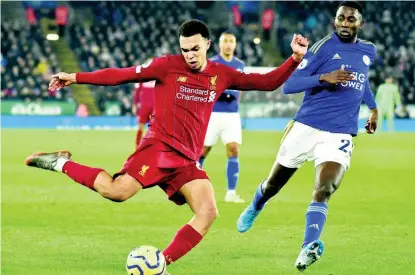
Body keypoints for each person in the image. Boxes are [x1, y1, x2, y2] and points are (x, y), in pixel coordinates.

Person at [25, 19, 309, 271]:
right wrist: (76, 77)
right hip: (158, 149)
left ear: (208, 44)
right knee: (116, 191)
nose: (190, 55)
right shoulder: (166, 66)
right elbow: (122, 75)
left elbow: (267, 82)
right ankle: (61, 162)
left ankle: (160, 264)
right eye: (185, 49)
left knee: (208, 212)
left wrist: (294, 59)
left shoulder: (221, 75)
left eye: (195, 49)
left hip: (186, 160)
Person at [237, 1, 378, 272]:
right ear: (334, 21)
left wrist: (372, 107)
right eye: (341, 18)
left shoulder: (368, 50)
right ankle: (257, 203)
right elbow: (290, 86)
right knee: (273, 185)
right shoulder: (322, 47)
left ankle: (306, 248)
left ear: (361, 23)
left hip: (339, 133)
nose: (345, 24)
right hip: (306, 127)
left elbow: (363, 79)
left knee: (324, 189)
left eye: (351, 20)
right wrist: (324, 77)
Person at [199, 30, 246, 203]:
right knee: (203, 150)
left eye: (231, 41)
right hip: (212, 114)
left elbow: (241, 88)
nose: (228, 44)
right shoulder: (211, 62)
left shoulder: (240, 64)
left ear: (235, 44)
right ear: (219, 44)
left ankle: (231, 193)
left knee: (233, 149)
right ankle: (192, 186)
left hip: (232, 115)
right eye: (225, 41)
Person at [132, 58, 155, 147]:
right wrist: (134, 104)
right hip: (144, 107)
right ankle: (137, 147)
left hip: (155, 107)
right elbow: (137, 92)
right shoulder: (142, 78)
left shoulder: (158, 77)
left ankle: (151, 147)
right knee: (140, 127)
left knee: (154, 129)